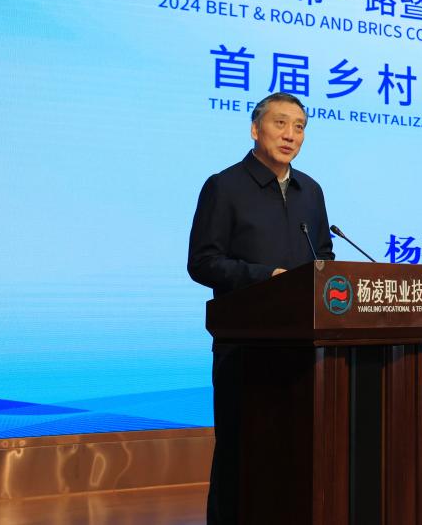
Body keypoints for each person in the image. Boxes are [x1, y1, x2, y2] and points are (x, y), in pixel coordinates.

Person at [188, 91, 334, 524]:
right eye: (280, 123)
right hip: (245, 347)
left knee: (297, 453)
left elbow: (324, 259)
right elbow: (203, 262)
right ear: (255, 129)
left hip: (305, 349)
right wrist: (265, 277)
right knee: (241, 454)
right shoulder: (224, 186)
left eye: (299, 127)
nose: (290, 135)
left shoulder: (311, 191)